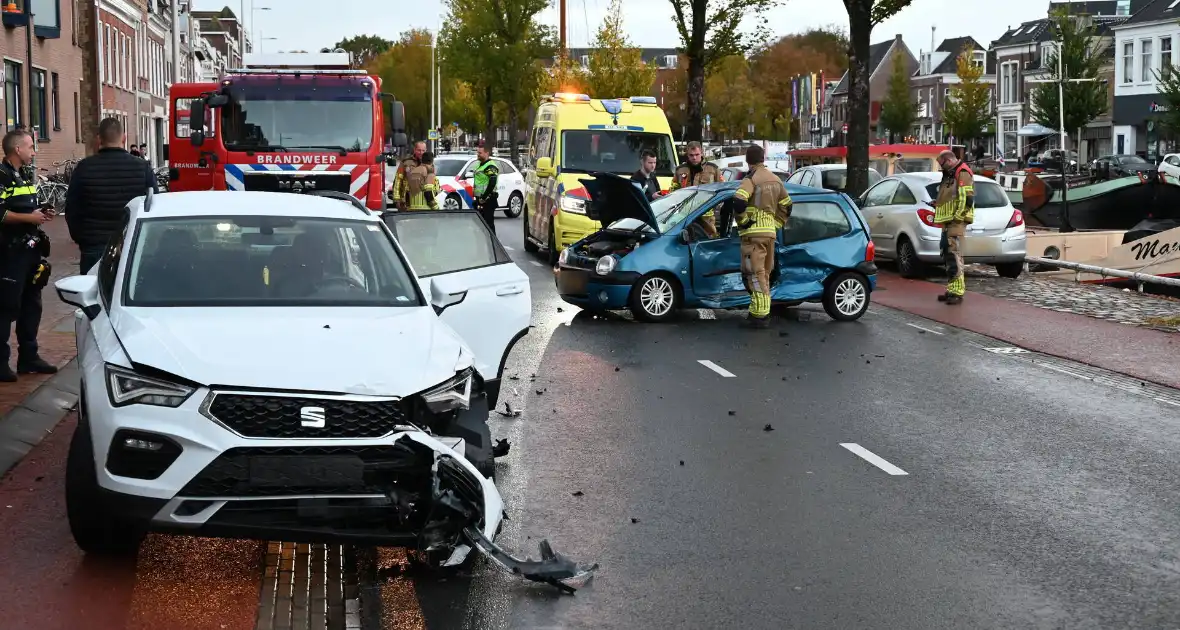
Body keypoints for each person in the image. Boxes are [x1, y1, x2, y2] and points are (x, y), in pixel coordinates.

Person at [0, 129, 57, 380]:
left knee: (31, 304)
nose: (34, 151)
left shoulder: (22, 176)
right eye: (30, 147)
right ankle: (1, 364)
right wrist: (29, 217)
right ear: (17, 150)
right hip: (10, 254)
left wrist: (41, 211)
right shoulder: (2, 176)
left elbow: (25, 206)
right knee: (5, 307)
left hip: (29, 251)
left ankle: (29, 357)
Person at [65, 117, 157, 273]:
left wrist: (83, 240)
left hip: (95, 245)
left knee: (92, 293)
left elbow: (72, 209)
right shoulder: (141, 167)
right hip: (132, 242)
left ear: (99, 139)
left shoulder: (84, 168)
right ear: (124, 137)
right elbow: (153, 204)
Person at [728, 144, 793, 329]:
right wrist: (776, 224)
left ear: (748, 161)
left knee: (755, 275)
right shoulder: (776, 180)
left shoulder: (751, 179)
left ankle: (761, 315)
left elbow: (739, 201)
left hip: (753, 236)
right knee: (764, 274)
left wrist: (744, 222)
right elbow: (788, 206)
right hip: (769, 235)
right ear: (763, 158)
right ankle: (756, 311)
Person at [933, 149, 975, 305]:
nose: (941, 168)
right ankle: (952, 289)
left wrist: (958, 216)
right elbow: (951, 196)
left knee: (954, 254)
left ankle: (957, 292)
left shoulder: (961, 172)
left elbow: (966, 197)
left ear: (949, 161)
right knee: (947, 253)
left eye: (942, 164)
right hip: (948, 221)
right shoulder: (950, 173)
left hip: (955, 221)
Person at [670, 141, 722, 237]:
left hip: (706, 216)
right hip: (685, 216)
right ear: (687, 154)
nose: (694, 158)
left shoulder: (713, 169)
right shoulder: (680, 170)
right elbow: (674, 191)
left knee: (708, 242)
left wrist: (716, 207)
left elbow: (722, 189)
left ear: (701, 153)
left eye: (697, 154)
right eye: (691, 155)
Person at [392, 141, 432, 212]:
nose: (421, 153)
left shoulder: (430, 164)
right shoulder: (406, 162)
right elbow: (398, 180)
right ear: (414, 150)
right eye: (419, 150)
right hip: (407, 201)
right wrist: (397, 199)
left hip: (424, 202)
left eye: (423, 150)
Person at [472, 142, 499, 233]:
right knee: (481, 226)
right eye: (477, 152)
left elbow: (492, 182)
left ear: (487, 153)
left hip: (488, 200)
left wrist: (484, 197)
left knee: (488, 225)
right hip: (481, 200)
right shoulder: (480, 164)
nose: (478, 155)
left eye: (480, 153)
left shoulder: (490, 166)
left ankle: (492, 245)